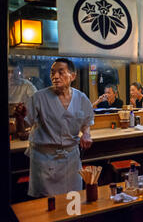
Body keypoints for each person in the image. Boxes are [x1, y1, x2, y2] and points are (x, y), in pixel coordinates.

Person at [25, 58, 94, 197]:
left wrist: (86, 134)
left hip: (71, 159)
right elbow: (25, 125)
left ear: (72, 76)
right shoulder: (39, 98)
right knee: (46, 206)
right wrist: (20, 117)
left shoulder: (81, 98)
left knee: (73, 201)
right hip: (44, 159)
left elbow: (87, 122)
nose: (55, 77)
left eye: (61, 72)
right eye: (52, 73)